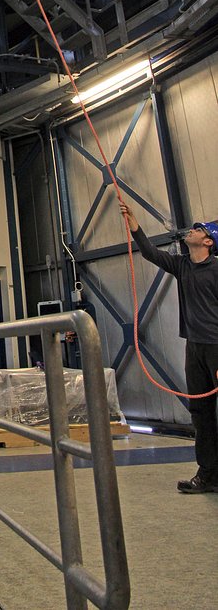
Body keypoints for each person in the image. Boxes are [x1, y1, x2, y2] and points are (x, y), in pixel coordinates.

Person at [119, 199, 218, 494]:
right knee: (200, 411)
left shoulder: (216, 270)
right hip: (195, 348)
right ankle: (208, 474)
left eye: (198, 229)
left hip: (216, 347)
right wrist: (134, 223)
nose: (192, 230)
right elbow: (150, 253)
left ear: (209, 241)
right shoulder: (182, 265)